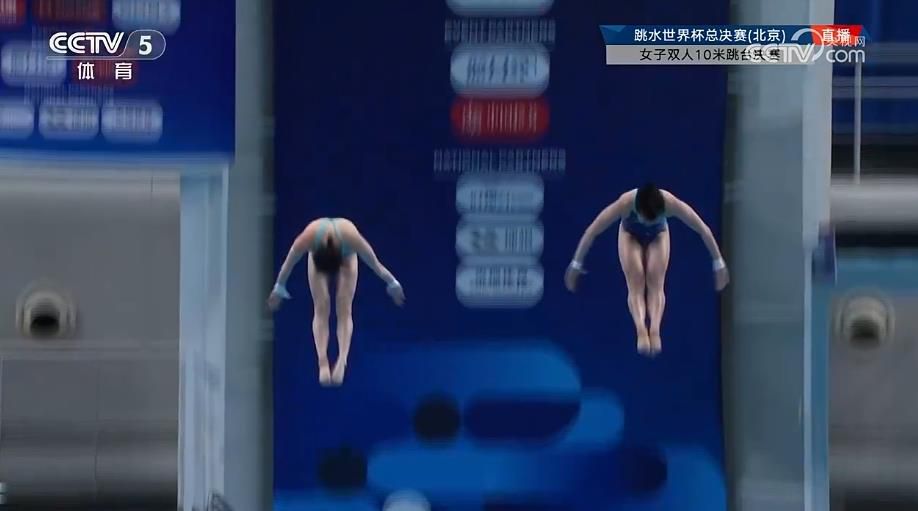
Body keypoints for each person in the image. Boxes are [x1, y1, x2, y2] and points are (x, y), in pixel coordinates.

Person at [564, 183, 729, 356]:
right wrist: (576, 264)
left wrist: (719, 263)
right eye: (646, 218)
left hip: (659, 234)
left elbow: (703, 229)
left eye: (653, 218)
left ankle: (655, 329)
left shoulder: (670, 203)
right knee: (636, 280)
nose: (648, 223)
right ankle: (641, 329)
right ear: (638, 209)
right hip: (630, 234)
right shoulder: (625, 203)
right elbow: (593, 230)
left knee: (655, 281)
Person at [268, 217, 404, 385]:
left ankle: (342, 359)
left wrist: (393, 283)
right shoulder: (308, 238)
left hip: (346, 254)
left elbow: (376, 265)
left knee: (344, 305)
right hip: (319, 253)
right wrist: (278, 288)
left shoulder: (351, 238)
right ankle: (322, 361)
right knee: (321, 305)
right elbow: (288, 265)